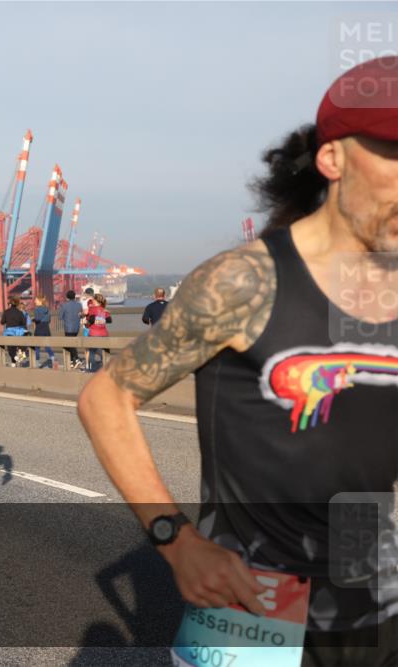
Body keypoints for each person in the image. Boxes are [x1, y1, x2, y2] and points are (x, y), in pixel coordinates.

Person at [78, 56, 398, 665]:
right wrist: (176, 540)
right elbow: (106, 399)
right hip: (256, 610)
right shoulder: (245, 281)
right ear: (332, 159)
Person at [84, 294, 111, 372]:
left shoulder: (92, 309)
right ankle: (106, 368)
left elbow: (92, 319)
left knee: (92, 352)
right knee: (105, 352)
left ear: (96, 301)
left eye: (93, 300)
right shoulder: (104, 309)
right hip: (104, 333)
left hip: (94, 333)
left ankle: (92, 369)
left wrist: (87, 324)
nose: (92, 301)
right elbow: (109, 320)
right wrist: (101, 320)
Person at [58, 289, 84, 369]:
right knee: (71, 344)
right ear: (74, 296)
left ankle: (76, 359)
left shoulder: (64, 305)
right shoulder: (79, 305)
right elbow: (81, 315)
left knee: (70, 344)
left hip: (68, 327)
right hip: (76, 327)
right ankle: (72, 361)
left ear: (67, 297)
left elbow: (60, 317)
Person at [0, 296, 27, 367]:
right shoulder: (20, 312)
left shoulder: (6, 312)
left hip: (9, 332)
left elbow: (2, 322)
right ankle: (19, 359)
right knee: (20, 347)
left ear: (10, 304)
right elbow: (23, 323)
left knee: (11, 348)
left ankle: (14, 361)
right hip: (18, 332)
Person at [31, 295, 56, 369]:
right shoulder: (46, 309)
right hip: (46, 328)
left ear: (39, 301)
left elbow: (37, 319)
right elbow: (49, 320)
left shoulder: (37, 309)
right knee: (47, 346)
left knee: (37, 347)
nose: (34, 301)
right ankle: (53, 359)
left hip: (39, 329)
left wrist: (34, 320)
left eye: (36, 300)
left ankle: (37, 363)